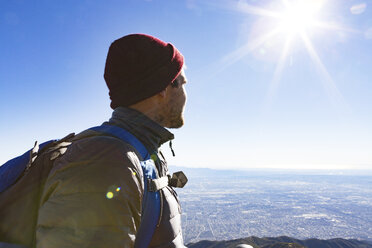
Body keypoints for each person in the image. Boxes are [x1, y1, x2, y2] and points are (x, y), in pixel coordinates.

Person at [35, 34, 188, 247]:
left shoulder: (139, 151)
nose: (185, 95)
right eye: (182, 84)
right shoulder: (106, 161)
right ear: (162, 88)